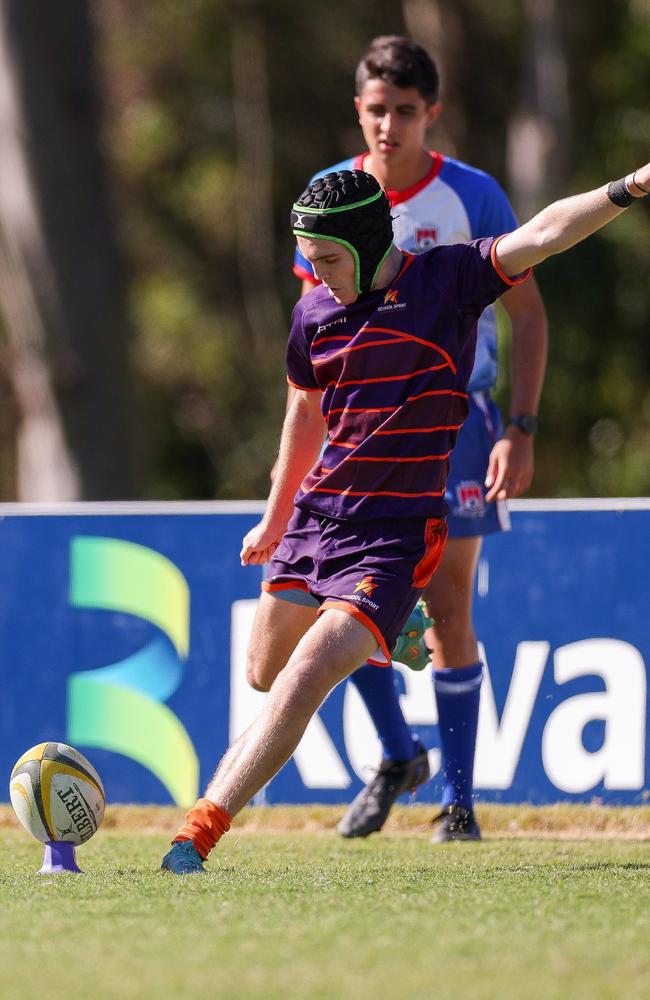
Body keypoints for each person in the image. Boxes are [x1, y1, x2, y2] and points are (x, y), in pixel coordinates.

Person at [161, 161, 650, 873]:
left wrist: (630, 188)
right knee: (264, 671)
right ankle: (400, 625)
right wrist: (273, 519)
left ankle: (194, 837)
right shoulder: (312, 316)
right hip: (316, 517)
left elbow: (543, 233)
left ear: (364, 243)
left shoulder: (447, 281)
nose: (317, 273)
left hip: (395, 536)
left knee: (304, 679)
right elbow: (303, 417)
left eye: (328, 259)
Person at [291, 36, 549, 842]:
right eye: (377, 110)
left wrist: (521, 426)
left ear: (430, 114)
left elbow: (530, 314)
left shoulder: (473, 196)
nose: (389, 126)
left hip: (459, 423)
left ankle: (461, 804)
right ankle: (400, 753)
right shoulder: (333, 195)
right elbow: (312, 338)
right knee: (338, 600)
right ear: (359, 109)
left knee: (445, 609)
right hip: (362, 431)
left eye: (406, 112)